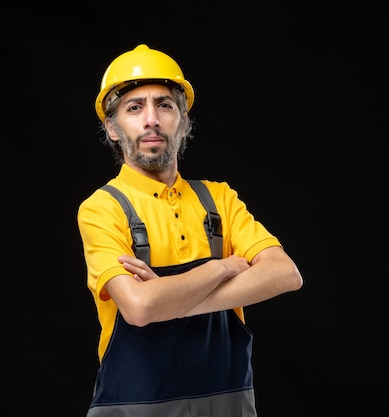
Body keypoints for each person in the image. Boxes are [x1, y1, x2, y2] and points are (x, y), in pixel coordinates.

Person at [77, 44, 303, 417]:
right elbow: (139, 307)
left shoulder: (219, 199)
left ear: (183, 121)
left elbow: (285, 274)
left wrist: (174, 302)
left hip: (228, 406)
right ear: (112, 129)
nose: (151, 119)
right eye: (134, 108)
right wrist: (223, 268)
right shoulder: (103, 208)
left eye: (165, 105)